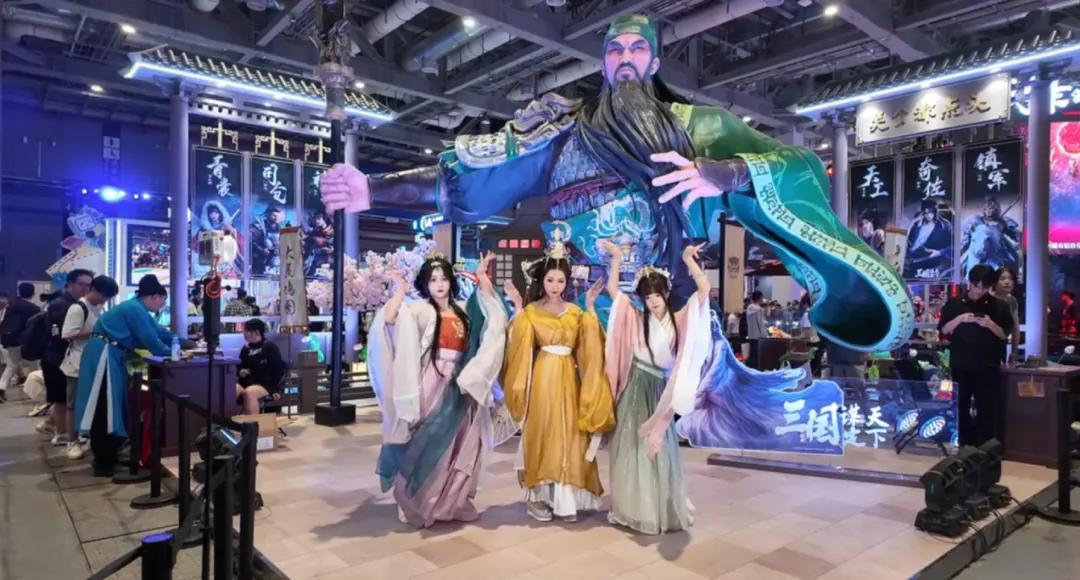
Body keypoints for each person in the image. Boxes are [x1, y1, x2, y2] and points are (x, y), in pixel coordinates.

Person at [319, 12, 913, 354]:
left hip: (668, 297)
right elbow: (473, 179)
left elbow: (798, 164)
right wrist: (373, 190)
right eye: (614, 50)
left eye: (637, 48)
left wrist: (725, 172)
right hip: (584, 301)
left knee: (658, 411)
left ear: (653, 63)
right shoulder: (561, 131)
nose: (625, 57)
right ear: (603, 63)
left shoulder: (701, 127)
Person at [367, 252, 508, 528]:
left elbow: (491, 311)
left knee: (463, 443)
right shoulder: (420, 310)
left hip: (462, 381)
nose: (440, 284)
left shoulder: (463, 309)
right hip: (432, 380)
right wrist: (401, 289)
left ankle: (452, 502)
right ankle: (419, 499)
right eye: (433, 280)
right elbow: (390, 318)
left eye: (443, 279)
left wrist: (482, 277)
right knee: (427, 438)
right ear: (426, 284)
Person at [601, 240, 710, 534]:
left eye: (657, 295)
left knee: (659, 448)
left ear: (666, 293)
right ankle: (632, 508)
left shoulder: (679, 319)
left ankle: (658, 507)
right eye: (647, 296)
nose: (653, 301)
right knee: (631, 446)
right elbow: (613, 292)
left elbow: (704, 290)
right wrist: (616, 258)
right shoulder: (635, 318)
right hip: (635, 386)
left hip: (660, 389)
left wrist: (688, 259)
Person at [502, 242, 613, 523]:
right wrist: (518, 307)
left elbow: (589, 347)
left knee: (569, 433)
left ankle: (565, 500)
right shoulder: (531, 312)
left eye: (560, 281)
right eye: (550, 280)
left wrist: (590, 308)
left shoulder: (575, 312)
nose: (555, 286)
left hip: (567, 378)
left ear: (567, 282)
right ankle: (537, 497)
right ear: (542, 280)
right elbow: (518, 346)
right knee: (542, 431)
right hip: (542, 377)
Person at [73, 275, 181, 477]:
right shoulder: (134, 309)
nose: (162, 305)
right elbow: (151, 340)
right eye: (162, 300)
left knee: (111, 406)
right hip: (104, 355)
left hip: (110, 354)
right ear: (154, 296)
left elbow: (160, 332)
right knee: (104, 407)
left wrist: (182, 342)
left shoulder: (136, 308)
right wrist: (176, 353)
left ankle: (108, 457)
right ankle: (104, 462)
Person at [938, 265, 1013, 447]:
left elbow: (1004, 334)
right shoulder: (955, 303)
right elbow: (944, 330)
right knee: (961, 406)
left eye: (985, 288)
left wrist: (990, 325)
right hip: (960, 363)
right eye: (977, 286)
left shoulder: (999, 306)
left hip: (987, 365)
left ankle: (986, 448)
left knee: (986, 408)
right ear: (970, 283)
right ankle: (965, 447)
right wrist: (960, 319)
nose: (980, 291)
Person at [60, 275, 119, 459]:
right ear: (94, 290)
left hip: (94, 362)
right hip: (77, 364)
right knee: (73, 404)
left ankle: (84, 436)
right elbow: (67, 334)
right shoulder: (78, 308)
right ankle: (72, 442)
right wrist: (96, 333)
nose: (105, 300)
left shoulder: (98, 308)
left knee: (90, 403)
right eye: (104, 296)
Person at [41, 269, 94, 445]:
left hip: (66, 357)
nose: (85, 288)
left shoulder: (81, 304)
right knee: (63, 399)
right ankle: (62, 434)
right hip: (56, 357)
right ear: (70, 284)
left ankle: (53, 427)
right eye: (81, 284)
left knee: (66, 398)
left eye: (89, 285)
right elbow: (60, 334)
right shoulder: (62, 305)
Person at [236, 318, 285, 416]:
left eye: (246, 331)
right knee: (230, 390)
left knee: (249, 393)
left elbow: (278, 370)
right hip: (246, 382)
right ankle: (229, 421)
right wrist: (240, 372)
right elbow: (239, 367)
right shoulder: (246, 349)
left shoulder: (270, 347)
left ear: (256, 332)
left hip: (264, 384)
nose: (243, 334)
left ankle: (252, 423)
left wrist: (276, 390)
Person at [0, 283, 40, 400]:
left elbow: (3, 322)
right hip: (27, 341)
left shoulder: (10, 306)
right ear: (33, 293)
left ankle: (1, 387)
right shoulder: (35, 309)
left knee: (11, 365)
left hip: (9, 340)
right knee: (34, 366)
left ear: (19, 292)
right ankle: (37, 392)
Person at [904, 199, 953, 280]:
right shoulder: (917, 224)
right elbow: (909, 241)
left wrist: (939, 252)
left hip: (932, 263)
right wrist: (914, 223)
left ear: (935, 212)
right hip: (912, 260)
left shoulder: (944, 226)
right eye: (925, 213)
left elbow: (952, 246)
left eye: (930, 212)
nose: (928, 215)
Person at [991, 267, 1021, 364]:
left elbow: (1015, 328)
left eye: (1010, 279)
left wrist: (1014, 352)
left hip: (1001, 345)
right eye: (1002, 279)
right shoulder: (988, 299)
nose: (1007, 282)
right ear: (995, 282)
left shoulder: (1012, 301)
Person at [744, 291, 767, 369]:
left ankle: (750, 370)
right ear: (760, 298)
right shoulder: (759, 310)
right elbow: (761, 324)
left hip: (751, 334)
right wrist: (765, 335)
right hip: (759, 336)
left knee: (752, 355)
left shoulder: (749, 308)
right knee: (757, 357)